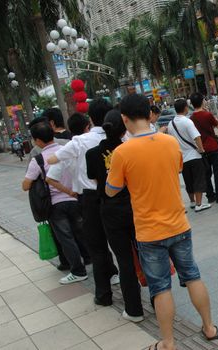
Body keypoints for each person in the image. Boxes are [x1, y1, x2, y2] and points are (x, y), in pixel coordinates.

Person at [105, 93, 218, 350]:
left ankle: (168, 342)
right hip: (179, 224)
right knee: (193, 276)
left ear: (124, 119)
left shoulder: (123, 152)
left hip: (149, 231)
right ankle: (209, 327)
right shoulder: (169, 143)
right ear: (149, 113)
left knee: (160, 287)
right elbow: (176, 168)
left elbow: (111, 190)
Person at [48, 99, 119, 306]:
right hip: (118, 196)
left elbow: (53, 160)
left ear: (91, 118)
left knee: (96, 246)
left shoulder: (79, 142)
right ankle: (135, 296)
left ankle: (103, 295)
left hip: (89, 198)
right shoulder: (120, 138)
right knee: (124, 246)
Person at [86, 109, 144, 323]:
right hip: (136, 206)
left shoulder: (92, 154)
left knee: (124, 260)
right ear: (124, 128)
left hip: (110, 210)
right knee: (147, 254)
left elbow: (94, 180)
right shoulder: (132, 149)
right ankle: (160, 301)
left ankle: (134, 310)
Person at [22, 122, 88, 284]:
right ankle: (89, 258)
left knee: (66, 238)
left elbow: (26, 185)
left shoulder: (38, 160)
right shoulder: (67, 151)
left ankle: (78, 271)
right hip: (77, 198)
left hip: (56, 204)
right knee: (82, 232)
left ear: (37, 141)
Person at [168, 99, 211, 212]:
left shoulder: (171, 124)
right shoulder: (187, 122)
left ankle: (192, 202)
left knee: (188, 180)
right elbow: (196, 137)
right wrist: (201, 149)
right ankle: (199, 204)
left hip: (182, 158)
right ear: (185, 108)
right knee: (198, 179)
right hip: (194, 155)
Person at [189, 93, 218, 204]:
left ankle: (210, 196)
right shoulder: (207, 114)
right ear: (201, 101)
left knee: (206, 173)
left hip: (202, 149)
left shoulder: (191, 118)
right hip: (213, 146)